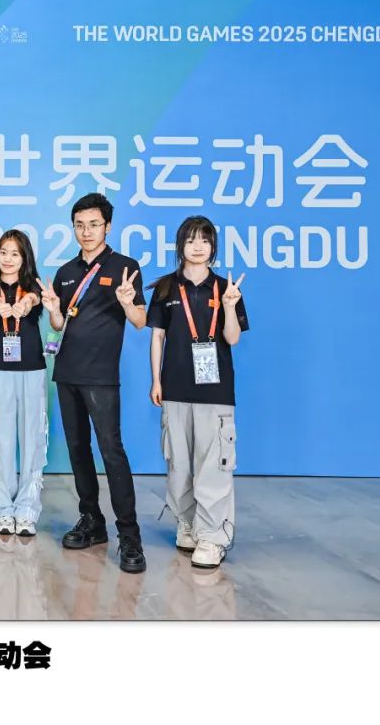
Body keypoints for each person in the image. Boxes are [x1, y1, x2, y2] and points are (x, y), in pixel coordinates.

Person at [38, 192, 148, 573]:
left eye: (94, 225)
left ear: (108, 226)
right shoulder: (66, 271)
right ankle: (92, 520)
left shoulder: (125, 268)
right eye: (80, 225)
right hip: (67, 373)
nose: (86, 231)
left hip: (101, 377)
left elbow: (139, 321)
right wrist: (54, 311)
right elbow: (59, 324)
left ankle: (129, 535)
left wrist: (127, 302)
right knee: (77, 450)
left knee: (111, 451)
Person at [146, 215, 248, 569]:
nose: (198, 246)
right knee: (178, 464)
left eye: (204, 240)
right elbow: (157, 337)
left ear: (213, 247)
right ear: (180, 246)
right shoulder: (165, 288)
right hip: (175, 388)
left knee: (213, 465)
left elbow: (232, 338)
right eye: (190, 240)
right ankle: (187, 523)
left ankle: (213, 537)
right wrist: (156, 380)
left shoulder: (226, 288)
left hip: (215, 392)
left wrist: (230, 306)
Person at [0, 230, 47, 537]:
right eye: (3, 252)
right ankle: (3, 510)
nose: (8, 258)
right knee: (0, 440)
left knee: (33, 440)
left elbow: (34, 298)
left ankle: (27, 510)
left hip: (32, 371)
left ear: (25, 258)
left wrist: (27, 301)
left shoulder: (35, 288)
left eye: (15, 253)